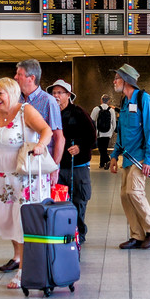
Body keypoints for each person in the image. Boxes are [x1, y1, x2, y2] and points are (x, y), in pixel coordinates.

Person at [0, 77, 54, 288]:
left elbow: (47, 130)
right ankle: (18, 256)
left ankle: (23, 270)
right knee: (8, 219)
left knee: (22, 220)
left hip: (23, 175)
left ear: (12, 92)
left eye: (1, 93)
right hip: (1, 175)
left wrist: (39, 145)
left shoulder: (25, 110)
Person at [109, 64, 150, 249]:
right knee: (124, 195)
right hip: (127, 157)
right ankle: (137, 235)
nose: (114, 81)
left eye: (116, 78)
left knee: (134, 192)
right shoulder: (124, 102)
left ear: (125, 80)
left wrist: (149, 159)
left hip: (140, 157)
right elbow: (122, 133)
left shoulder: (144, 99)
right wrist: (114, 155)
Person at [49, 80, 95, 242]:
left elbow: (91, 136)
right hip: (57, 166)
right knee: (58, 200)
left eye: (59, 93)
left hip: (78, 166)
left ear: (68, 95)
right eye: (53, 93)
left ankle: (79, 233)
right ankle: (63, 231)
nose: (56, 96)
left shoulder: (78, 112)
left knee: (79, 200)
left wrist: (80, 147)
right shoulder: (49, 113)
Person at [14, 59, 65, 182]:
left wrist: (54, 167)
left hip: (40, 164)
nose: (15, 77)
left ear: (31, 78)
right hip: (19, 163)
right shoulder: (16, 101)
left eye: (19, 74)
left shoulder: (49, 101)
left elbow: (59, 138)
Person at [91, 94, 117, 169]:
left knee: (101, 148)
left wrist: (93, 131)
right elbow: (113, 122)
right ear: (108, 101)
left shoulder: (96, 109)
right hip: (108, 132)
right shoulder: (111, 110)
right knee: (104, 148)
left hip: (99, 132)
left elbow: (92, 120)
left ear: (101, 100)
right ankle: (102, 163)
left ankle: (107, 160)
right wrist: (112, 131)